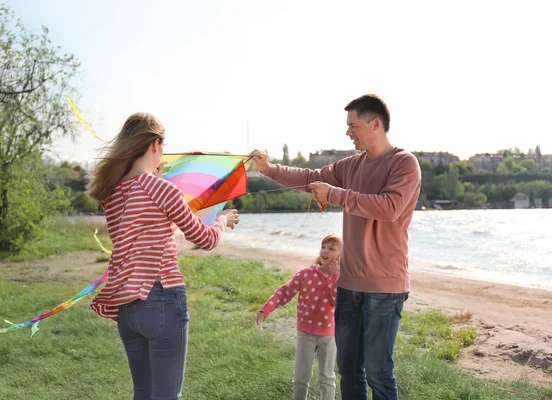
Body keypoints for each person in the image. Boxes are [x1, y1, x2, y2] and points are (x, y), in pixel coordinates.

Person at [249, 94, 421, 400]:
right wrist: (268, 168)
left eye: (353, 125)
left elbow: (390, 207)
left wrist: (337, 195)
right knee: (349, 369)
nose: (348, 132)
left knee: (379, 371)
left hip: (385, 287)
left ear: (376, 124)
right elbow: (311, 178)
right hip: (348, 285)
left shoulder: (404, 163)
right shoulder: (351, 165)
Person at [87, 112, 239, 400]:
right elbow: (205, 239)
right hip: (161, 299)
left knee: (143, 394)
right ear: (155, 144)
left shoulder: (112, 192)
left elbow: (142, 230)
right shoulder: (161, 188)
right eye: (163, 147)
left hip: (127, 307)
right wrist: (223, 220)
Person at [257, 234, 342, 400]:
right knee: (301, 378)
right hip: (305, 334)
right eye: (323, 247)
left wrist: (335, 277)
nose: (326, 251)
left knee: (327, 378)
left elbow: (336, 302)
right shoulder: (306, 273)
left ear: (340, 256)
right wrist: (267, 308)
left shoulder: (341, 279)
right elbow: (285, 291)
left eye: (331, 248)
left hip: (329, 335)